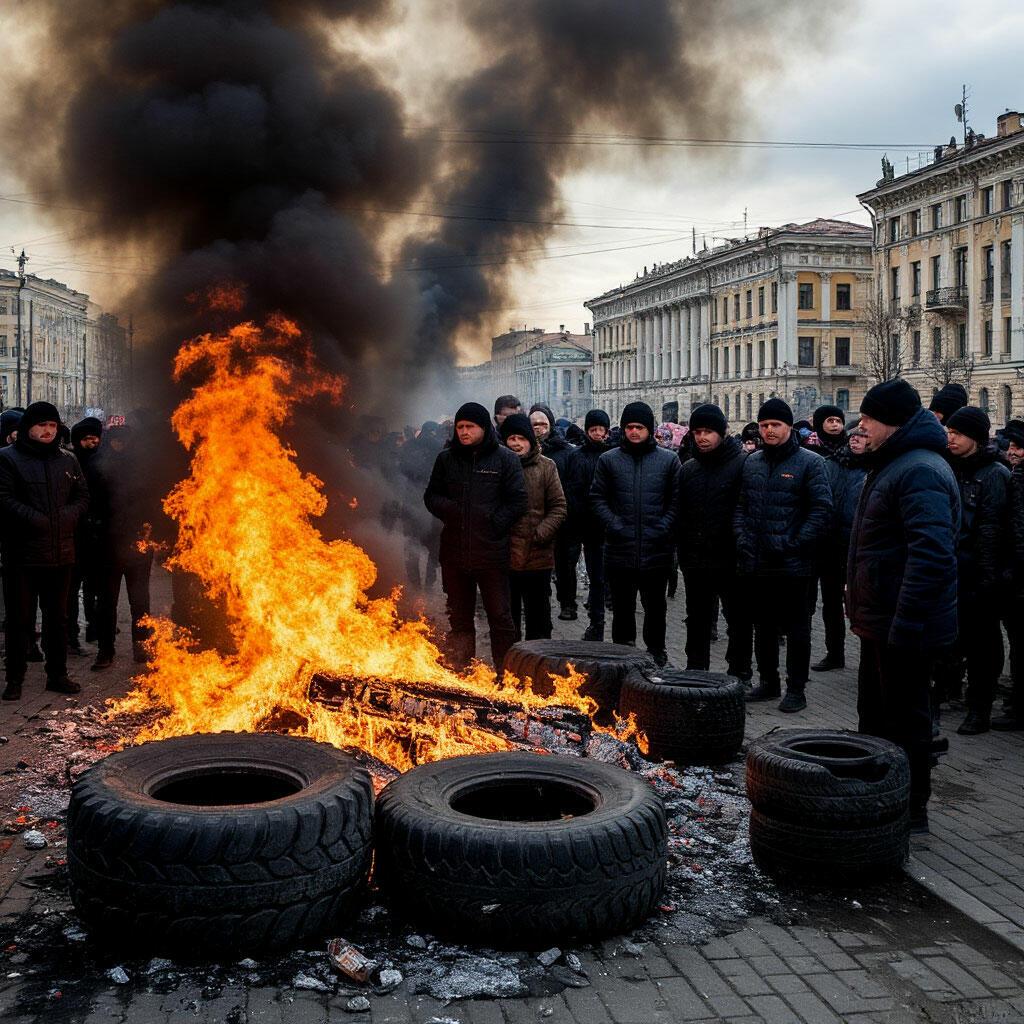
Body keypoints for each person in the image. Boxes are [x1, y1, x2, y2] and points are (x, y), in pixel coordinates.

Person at [847, 378, 960, 833]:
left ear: (891, 422)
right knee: (877, 716)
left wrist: (906, 624)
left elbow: (931, 555)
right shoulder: (895, 463)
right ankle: (879, 795)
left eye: (868, 418)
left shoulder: (919, 470)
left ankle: (910, 809)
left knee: (906, 721)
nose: (861, 426)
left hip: (905, 626)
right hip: (884, 620)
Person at [734, 398, 832, 713]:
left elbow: (821, 510)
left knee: (797, 628)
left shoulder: (810, 463)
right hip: (757, 560)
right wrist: (743, 537)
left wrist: (794, 543)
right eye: (764, 425)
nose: (769, 430)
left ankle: (796, 688)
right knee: (763, 626)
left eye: (775, 425)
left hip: (794, 564)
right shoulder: (752, 462)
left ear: (789, 426)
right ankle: (768, 681)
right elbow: (741, 506)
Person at [424, 402, 527, 671]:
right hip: (454, 554)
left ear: (483, 428)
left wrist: (495, 523)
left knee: (500, 618)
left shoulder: (506, 459)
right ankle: (463, 671)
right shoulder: (446, 459)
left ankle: (505, 673)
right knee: (459, 618)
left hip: (492, 554)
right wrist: (452, 510)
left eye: (470, 426)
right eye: (460, 427)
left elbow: (517, 501)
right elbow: (431, 496)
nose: (464, 432)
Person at [0, 402, 89, 700]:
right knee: (19, 620)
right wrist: (35, 519)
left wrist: (68, 516)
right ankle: (15, 678)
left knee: (58, 619)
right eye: (42, 425)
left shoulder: (67, 460)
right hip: (22, 556)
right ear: (28, 427)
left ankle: (57, 674)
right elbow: (4, 498)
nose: (48, 431)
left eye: (52, 425)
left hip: (60, 554)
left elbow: (82, 496)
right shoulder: (7, 458)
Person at [590, 401, 680, 667]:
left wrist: (663, 526)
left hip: (656, 550)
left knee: (656, 607)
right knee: (622, 608)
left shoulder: (668, 461)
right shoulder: (609, 460)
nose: (634, 432)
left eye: (639, 427)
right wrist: (614, 524)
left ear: (649, 429)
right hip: (620, 549)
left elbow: (676, 501)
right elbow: (597, 498)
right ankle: (623, 655)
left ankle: (656, 652)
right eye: (629, 427)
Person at [941, 406, 1009, 735]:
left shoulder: (995, 474)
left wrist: (989, 577)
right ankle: (949, 690)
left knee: (983, 645)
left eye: (958, 433)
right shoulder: (948, 467)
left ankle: (980, 707)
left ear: (976, 438)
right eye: (950, 432)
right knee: (952, 639)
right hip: (951, 570)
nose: (950, 438)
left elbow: (994, 529)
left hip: (981, 574)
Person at [676, 404, 750, 678]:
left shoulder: (743, 465)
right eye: (697, 432)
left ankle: (739, 673)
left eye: (708, 431)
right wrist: (684, 553)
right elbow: (681, 513)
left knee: (738, 621)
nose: (702, 438)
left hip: (732, 559)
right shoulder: (689, 469)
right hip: (696, 560)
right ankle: (696, 671)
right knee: (697, 619)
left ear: (722, 432)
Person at [90, 424, 162, 670]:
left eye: (124, 441)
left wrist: (150, 529)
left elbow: (154, 502)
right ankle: (105, 650)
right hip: (107, 546)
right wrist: (97, 528)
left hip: (138, 546)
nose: (119, 445)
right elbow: (90, 501)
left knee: (140, 601)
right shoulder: (97, 465)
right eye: (115, 441)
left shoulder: (143, 466)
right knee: (106, 602)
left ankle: (142, 647)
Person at [499, 414, 566, 641]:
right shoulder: (496, 467)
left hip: (537, 555)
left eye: (522, 438)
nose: (516, 443)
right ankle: (510, 660)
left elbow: (558, 507)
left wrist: (541, 534)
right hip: (504, 554)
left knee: (538, 619)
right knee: (507, 620)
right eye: (511, 438)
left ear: (530, 440)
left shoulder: (546, 466)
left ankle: (538, 660)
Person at [809, 404, 866, 672]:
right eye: (853, 436)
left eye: (861, 436)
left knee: (861, 604)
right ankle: (834, 653)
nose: (855, 440)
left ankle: (868, 657)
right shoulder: (829, 465)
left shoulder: (876, 467)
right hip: (830, 545)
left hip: (860, 547)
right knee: (831, 602)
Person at [563, 410, 611, 640]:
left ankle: (597, 622)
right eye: (593, 429)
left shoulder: (611, 456)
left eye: (601, 429)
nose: (597, 433)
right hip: (577, 521)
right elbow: (569, 487)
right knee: (568, 565)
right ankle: (569, 603)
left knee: (598, 576)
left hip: (600, 526)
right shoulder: (576, 456)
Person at [528, 403, 578, 621]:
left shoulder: (567, 452)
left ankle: (568, 603)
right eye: (533, 424)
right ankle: (542, 603)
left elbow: (574, 486)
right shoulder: (525, 452)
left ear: (551, 424)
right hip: (535, 518)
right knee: (539, 565)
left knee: (565, 564)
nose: (538, 428)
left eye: (542, 423)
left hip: (562, 518)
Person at [67, 416, 104, 654]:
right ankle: (70, 637)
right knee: (71, 590)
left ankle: (94, 627)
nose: (92, 443)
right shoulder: (69, 463)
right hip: (73, 536)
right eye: (87, 439)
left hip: (95, 536)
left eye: (95, 439)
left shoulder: (104, 463)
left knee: (94, 586)